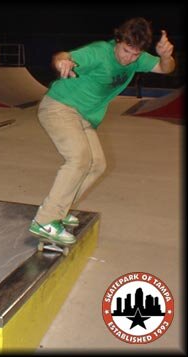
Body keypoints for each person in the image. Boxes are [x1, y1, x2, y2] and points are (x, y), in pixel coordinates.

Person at [29, 18, 175, 244]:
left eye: (135, 55)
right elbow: (64, 56)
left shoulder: (137, 59)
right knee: (79, 159)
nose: (129, 59)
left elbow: (166, 69)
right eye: (126, 51)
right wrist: (62, 62)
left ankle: (59, 210)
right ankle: (45, 220)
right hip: (59, 107)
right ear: (118, 40)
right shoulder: (100, 52)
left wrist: (166, 56)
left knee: (97, 165)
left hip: (83, 118)